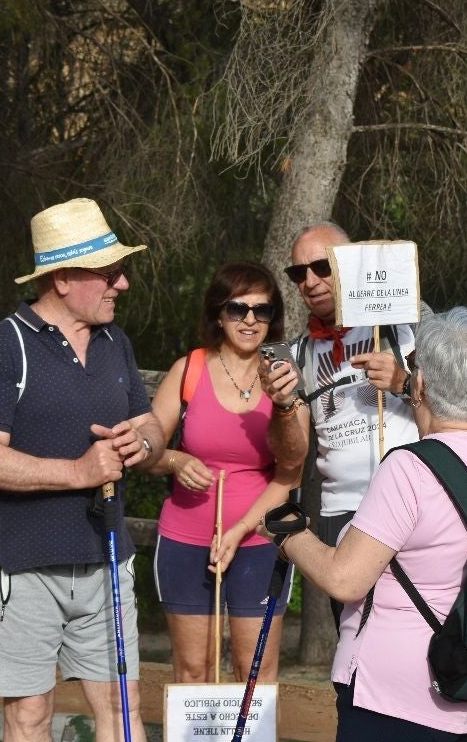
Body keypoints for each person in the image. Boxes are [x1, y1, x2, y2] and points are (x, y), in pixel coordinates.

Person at [257, 307, 467, 740]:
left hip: (395, 697)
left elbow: (346, 579)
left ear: (421, 384)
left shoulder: (410, 468)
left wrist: (288, 534)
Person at [0, 198, 164, 742]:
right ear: (65, 278)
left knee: (124, 709)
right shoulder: (5, 347)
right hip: (21, 566)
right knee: (30, 718)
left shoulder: (114, 341)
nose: (121, 284)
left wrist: (141, 440)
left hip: (106, 558)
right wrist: (78, 472)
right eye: (109, 273)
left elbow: (152, 425)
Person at [139, 261, 295, 683]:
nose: (249, 320)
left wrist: (242, 529)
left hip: (260, 539)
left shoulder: (284, 378)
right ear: (218, 313)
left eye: (262, 311)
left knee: (255, 673)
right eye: (237, 308)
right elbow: (145, 451)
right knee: (194, 670)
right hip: (185, 540)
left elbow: (291, 474)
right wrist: (176, 460)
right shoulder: (187, 370)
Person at [260, 222, 419, 619]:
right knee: (351, 638)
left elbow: (457, 407)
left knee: (415, 630)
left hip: (409, 502)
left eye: (322, 267)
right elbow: (292, 456)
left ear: (352, 263)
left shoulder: (403, 324)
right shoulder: (297, 350)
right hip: (341, 511)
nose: (310, 281)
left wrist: (404, 382)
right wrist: (281, 405)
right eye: (299, 273)